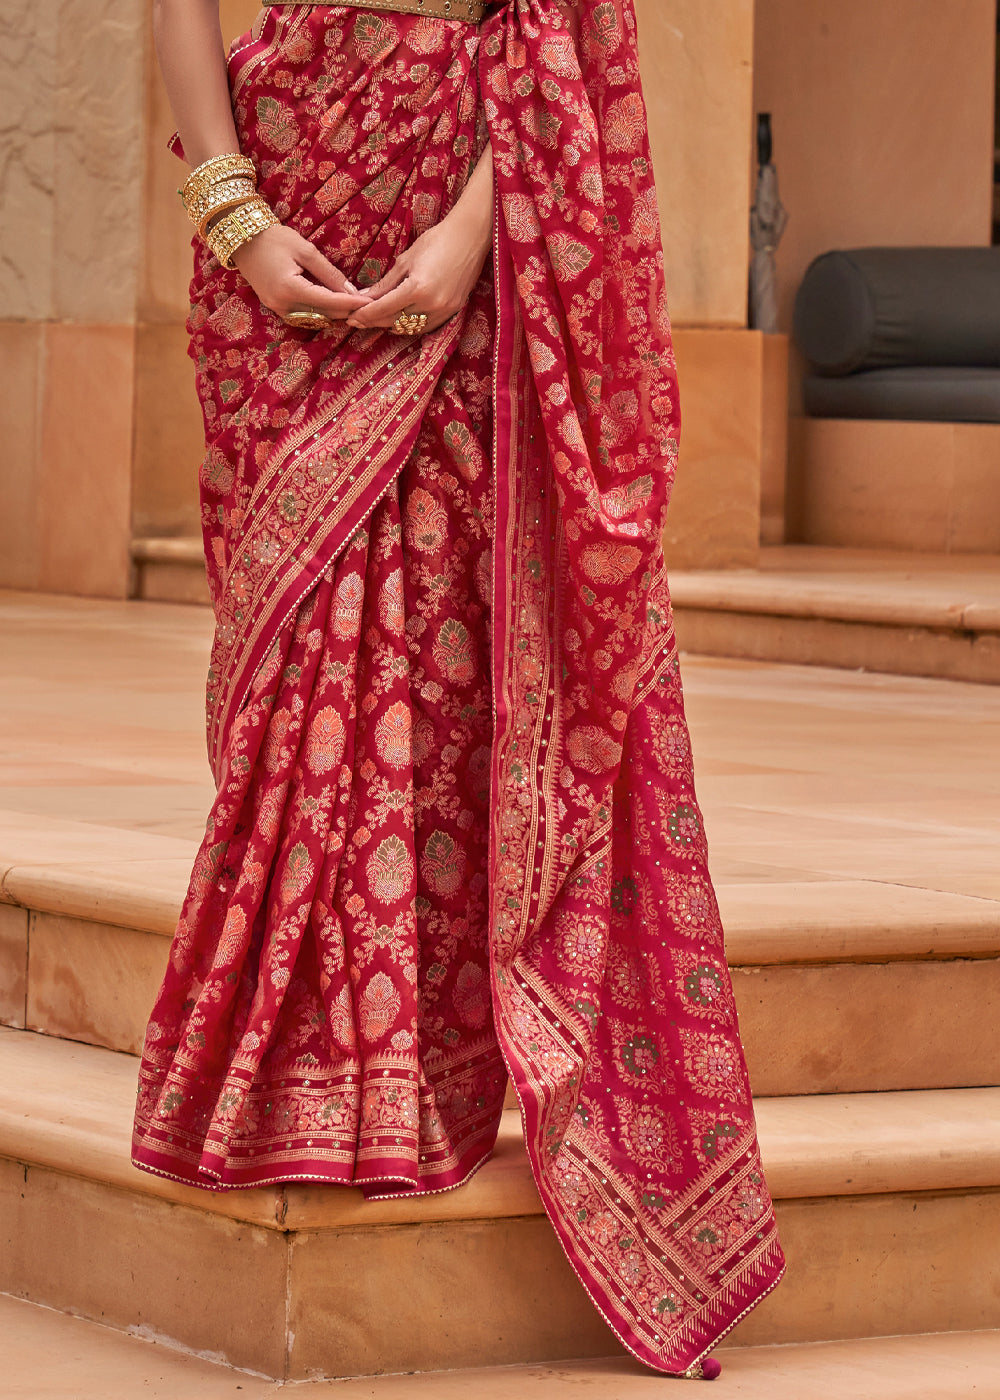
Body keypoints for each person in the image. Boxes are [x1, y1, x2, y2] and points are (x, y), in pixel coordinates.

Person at [132, 0, 785, 1379]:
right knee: (306, 642)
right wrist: (233, 209)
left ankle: (406, 1053)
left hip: (473, 174)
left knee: (433, 625)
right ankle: (304, 1048)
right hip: (290, 153)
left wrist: (478, 227)